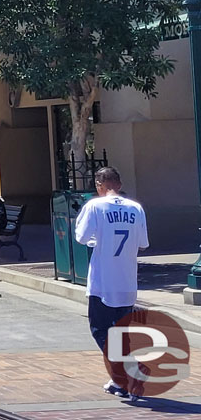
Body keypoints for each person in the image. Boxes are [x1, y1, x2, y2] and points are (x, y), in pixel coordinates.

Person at [74, 167, 149, 401]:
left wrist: (99, 239)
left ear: (100, 185)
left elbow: (81, 237)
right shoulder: (136, 208)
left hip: (103, 282)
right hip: (127, 280)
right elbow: (143, 243)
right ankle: (120, 379)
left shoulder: (94, 206)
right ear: (119, 183)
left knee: (100, 329)